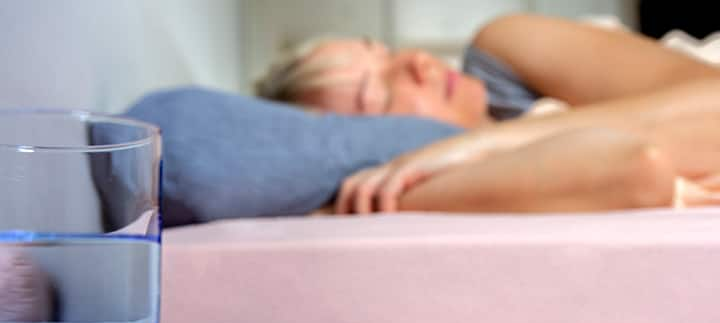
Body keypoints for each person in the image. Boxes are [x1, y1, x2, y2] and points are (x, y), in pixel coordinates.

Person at [256, 13, 720, 214]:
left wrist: (478, 143)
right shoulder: (450, 193)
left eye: (386, 54)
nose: (417, 62)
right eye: (376, 94)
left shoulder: (503, 49)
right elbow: (638, 169)